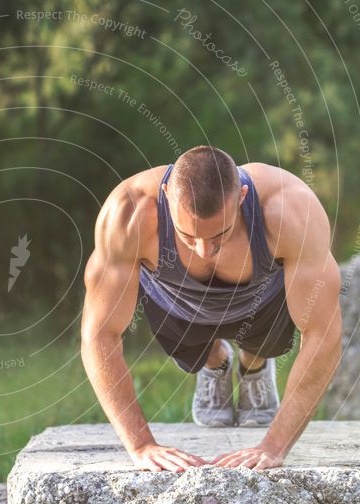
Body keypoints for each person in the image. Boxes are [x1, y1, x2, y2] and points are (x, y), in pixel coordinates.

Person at [80, 145, 342, 472]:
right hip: (178, 306)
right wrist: (141, 445)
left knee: (262, 343)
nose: (204, 250)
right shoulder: (129, 213)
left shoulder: (289, 210)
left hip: (262, 304)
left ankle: (254, 365)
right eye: (188, 236)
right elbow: (99, 335)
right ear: (166, 197)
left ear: (243, 196)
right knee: (200, 354)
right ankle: (216, 363)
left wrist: (274, 447)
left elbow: (324, 335)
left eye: (220, 233)